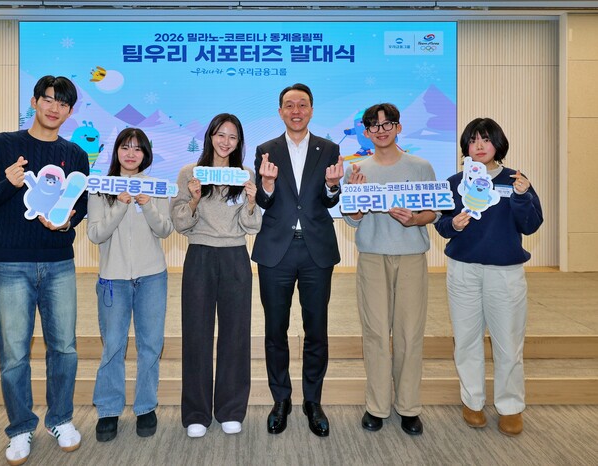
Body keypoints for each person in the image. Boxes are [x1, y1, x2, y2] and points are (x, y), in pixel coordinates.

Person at [0, 75, 89, 465]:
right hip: (11, 265)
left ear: (70, 112)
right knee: (14, 353)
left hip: (59, 264)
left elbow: (81, 207)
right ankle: (20, 428)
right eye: (48, 100)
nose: (55, 108)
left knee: (64, 348)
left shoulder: (75, 154)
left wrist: (66, 224)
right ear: (34, 102)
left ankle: (60, 419)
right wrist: (7, 183)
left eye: (63, 103)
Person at [434, 118, 543, 437]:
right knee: (466, 340)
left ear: (498, 144)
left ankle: (510, 406)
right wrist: (453, 225)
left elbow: (531, 225)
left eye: (485, 139)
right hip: (463, 271)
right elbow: (441, 225)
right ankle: (472, 401)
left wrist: (522, 197)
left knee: (508, 342)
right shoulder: (456, 182)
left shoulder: (516, 180)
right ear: (465, 147)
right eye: (473, 140)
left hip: (505, 273)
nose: (479, 146)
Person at [252, 83, 343, 438]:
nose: (296, 110)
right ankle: (281, 399)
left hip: (316, 250)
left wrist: (333, 187)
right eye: (289, 105)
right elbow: (263, 201)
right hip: (276, 250)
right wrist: (267, 185)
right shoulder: (266, 150)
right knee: (275, 330)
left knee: (316, 329)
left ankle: (312, 401)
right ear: (280, 111)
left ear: (311, 110)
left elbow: (329, 200)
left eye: (302, 104)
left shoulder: (329, 148)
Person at [342, 102, 438, 436]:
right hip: (372, 257)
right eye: (374, 126)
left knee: (410, 333)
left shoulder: (421, 166)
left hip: (411, 255)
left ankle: (409, 407)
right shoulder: (357, 170)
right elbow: (353, 220)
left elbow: (433, 212)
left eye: (387, 124)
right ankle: (377, 406)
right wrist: (355, 195)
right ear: (366, 132)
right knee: (376, 332)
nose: (381, 131)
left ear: (398, 127)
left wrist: (415, 220)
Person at [171, 113, 262, 438]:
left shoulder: (244, 175)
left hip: (235, 256)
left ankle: (230, 409)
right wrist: (195, 200)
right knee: (196, 333)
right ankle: (196, 412)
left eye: (232, 137)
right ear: (210, 136)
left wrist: (252, 202)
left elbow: (252, 226)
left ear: (239, 143)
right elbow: (180, 223)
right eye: (220, 134)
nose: (226, 141)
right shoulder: (190, 173)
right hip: (200, 255)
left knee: (235, 334)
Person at [87, 128, 173, 442]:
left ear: (145, 154)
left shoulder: (156, 186)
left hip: (152, 277)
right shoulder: (101, 187)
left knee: (150, 344)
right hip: (113, 279)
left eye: (138, 148)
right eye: (125, 147)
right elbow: (95, 234)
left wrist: (147, 204)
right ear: (117, 152)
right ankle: (108, 409)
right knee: (113, 344)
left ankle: (146, 406)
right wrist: (120, 205)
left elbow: (165, 230)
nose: (131, 154)